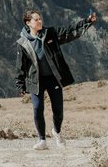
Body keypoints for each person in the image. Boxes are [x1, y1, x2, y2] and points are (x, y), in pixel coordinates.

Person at [16, 9, 96, 150]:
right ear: (28, 23)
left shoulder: (50, 33)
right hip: (36, 80)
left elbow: (70, 31)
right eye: (36, 19)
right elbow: (20, 64)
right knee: (37, 108)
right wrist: (20, 84)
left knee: (58, 110)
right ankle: (42, 140)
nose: (40, 21)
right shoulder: (23, 42)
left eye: (40, 19)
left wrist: (87, 22)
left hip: (53, 79)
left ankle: (57, 132)